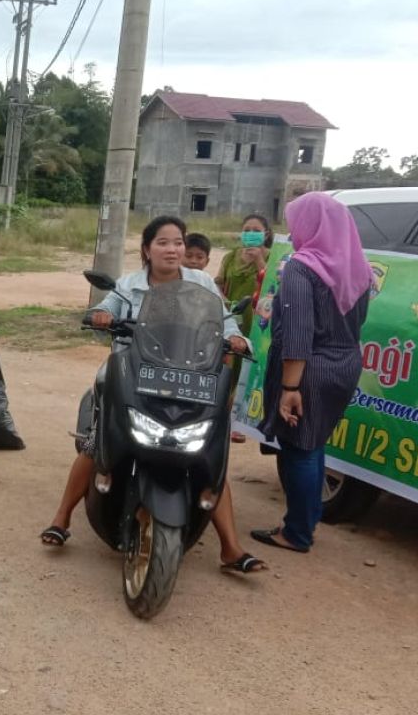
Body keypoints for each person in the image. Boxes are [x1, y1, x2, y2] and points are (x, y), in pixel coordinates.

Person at [40, 216, 265, 574]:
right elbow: (106, 310)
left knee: (210, 452)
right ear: (147, 249)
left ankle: (230, 547)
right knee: (96, 441)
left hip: (191, 374)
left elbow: (225, 321)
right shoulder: (128, 285)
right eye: (163, 242)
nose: (172, 249)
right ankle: (62, 518)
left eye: (178, 242)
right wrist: (99, 315)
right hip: (133, 368)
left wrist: (237, 338)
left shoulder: (202, 282)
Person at [251, 193, 370, 553]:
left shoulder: (302, 268)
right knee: (314, 443)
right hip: (345, 363)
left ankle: (297, 532)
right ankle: (308, 518)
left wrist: (290, 386)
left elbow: (299, 333)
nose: (291, 229)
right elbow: (357, 322)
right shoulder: (358, 269)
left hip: (309, 370)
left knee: (298, 449)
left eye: (295, 222)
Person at [216, 215, 274, 443]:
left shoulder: (271, 257)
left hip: (258, 320)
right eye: (247, 229)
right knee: (227, 366)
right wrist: (224, 302)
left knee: (248, 370)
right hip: (232, 318)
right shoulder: (231, 257)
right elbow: (219, 282)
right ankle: (221, 416)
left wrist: (260, 261)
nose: (250, 233)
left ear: (266, 234)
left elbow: (273, 284)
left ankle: (238, 421)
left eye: (256, 229)